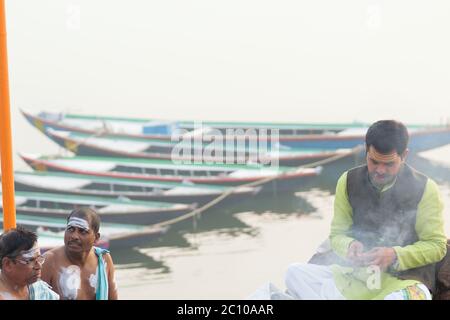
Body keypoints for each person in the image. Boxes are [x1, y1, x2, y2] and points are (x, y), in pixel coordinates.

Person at [285, 120, 447, 300]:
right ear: (366, 151)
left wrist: (394, 255)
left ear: (404, 156)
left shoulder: (425, 188)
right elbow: (337, 235)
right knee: (294, 273)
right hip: (358, 277)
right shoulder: (347, 181)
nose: (380, 170)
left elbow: (436, 245)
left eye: (389, 164)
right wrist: (349, 246)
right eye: (374, 161)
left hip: (403, 280)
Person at [41, 208, 118, 300]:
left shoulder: (103, 260)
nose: (74, 236)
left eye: (82, 231)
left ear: (96, 238)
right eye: (70, 229)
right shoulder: (49, 261)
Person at [0, 227, 59, 300]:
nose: (39, 266)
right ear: (8, 264)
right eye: (30, 260)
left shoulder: (42, 292)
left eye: (39, 258)